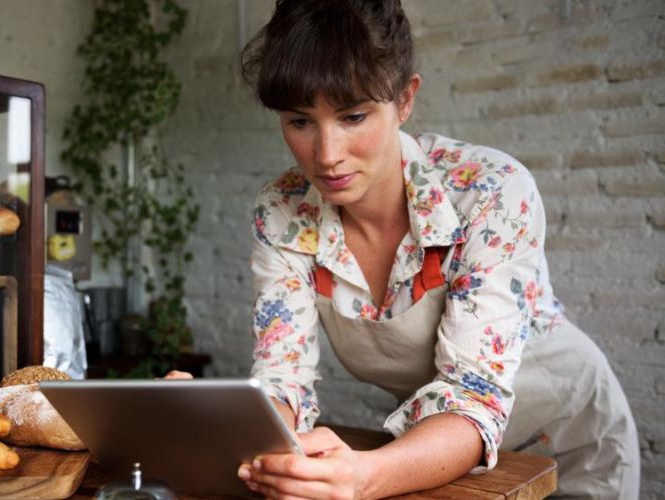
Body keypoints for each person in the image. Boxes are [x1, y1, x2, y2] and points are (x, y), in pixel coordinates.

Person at [171, 0, 642, 498]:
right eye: (300, 121)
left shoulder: (490, 192)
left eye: (353, 116)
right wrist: (227, 424)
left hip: (568, 439)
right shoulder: (283, 210)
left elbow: (471, 396)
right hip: (431, 450)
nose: (326, 155)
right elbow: (283, 376)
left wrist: (363, 475)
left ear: (405, 99)